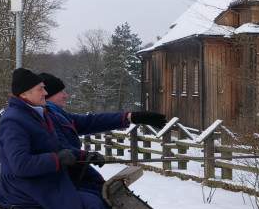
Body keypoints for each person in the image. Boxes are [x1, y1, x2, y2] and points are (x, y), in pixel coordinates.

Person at [0, 68, 112, 209]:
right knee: (93, 206)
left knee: (99, 194)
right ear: (24, 94)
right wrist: (56, 160)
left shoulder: (37, 112)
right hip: (24, 188)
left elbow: (55, 148)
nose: (46, 93)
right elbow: (20, 165)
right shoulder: (13, 121)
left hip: (44, 181)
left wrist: (83, 156)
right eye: (40, 89)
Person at [39, 72, 167, 196]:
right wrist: (85, 155)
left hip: (76, 174)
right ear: (48, 95)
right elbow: (60, 147)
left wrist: (131, 117)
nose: (65, 95)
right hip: (69, 178)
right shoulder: (47, 117)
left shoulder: (58, 115)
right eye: (61, 92)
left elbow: (91, 121)